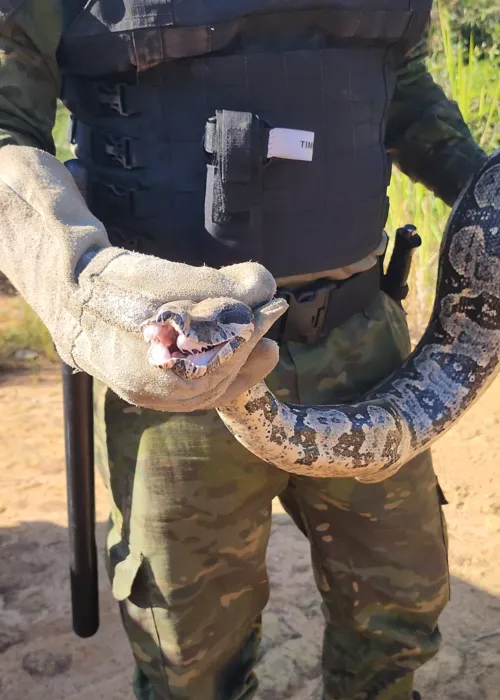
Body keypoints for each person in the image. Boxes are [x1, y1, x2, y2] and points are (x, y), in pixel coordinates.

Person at [0, 2, 488, 699]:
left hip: (364, 349)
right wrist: (78, 281)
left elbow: (397, 87)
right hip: (179, 367)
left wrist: (483, 186)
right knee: (190, 657)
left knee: (399, 609)